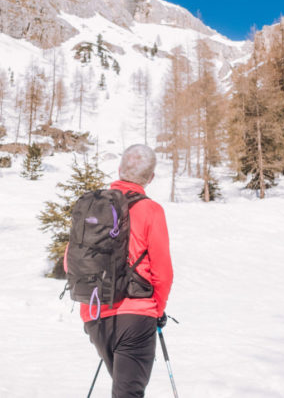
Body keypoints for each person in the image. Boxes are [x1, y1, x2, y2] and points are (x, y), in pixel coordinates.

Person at [81, 144, 173, 398]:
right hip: (135, 316)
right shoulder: (151, 211)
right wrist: (158, 309)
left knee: (124, 391)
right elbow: (163, 272)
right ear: (151, 177)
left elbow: (70, 262)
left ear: (119, 169)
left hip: (95, 315)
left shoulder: (92, 207)